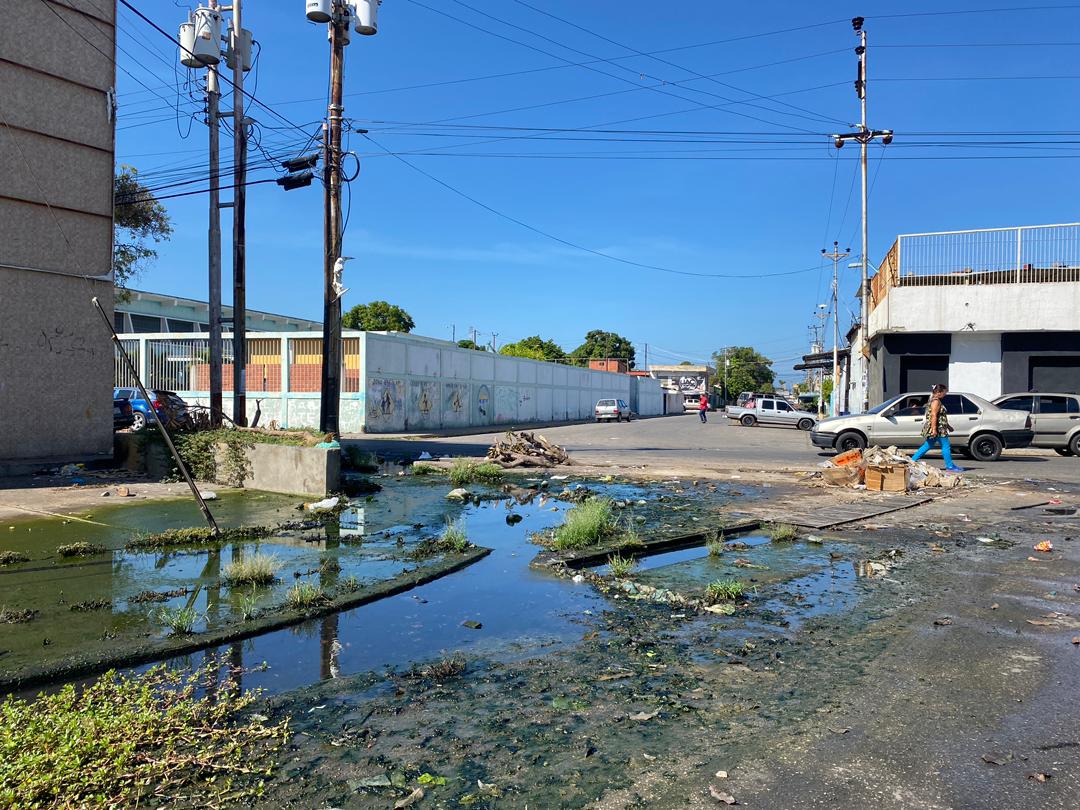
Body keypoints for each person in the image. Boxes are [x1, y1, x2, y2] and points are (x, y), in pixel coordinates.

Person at [911, 384, 966, 472]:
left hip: (939, 427)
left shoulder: (934, 400)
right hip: (938, 428)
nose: (945, 394)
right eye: (945, 392)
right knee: (945, 446)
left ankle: (912, 461)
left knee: (928, 445)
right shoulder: (936, 401)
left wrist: (948, 426)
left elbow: (941, 416)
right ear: (939, 392)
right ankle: (950, 466)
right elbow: (934, 415)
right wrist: (934, 429)